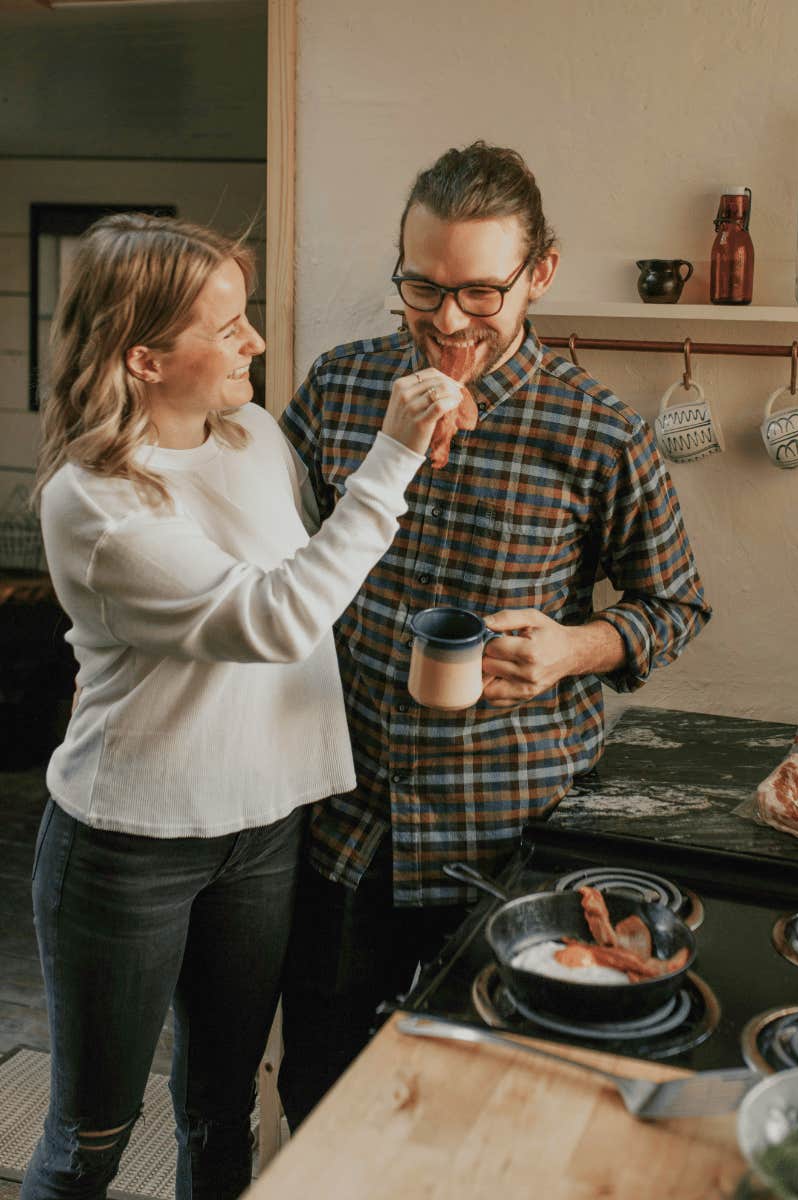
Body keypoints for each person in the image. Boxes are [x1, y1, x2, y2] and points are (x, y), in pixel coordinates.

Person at [23, 212, 463, 1200]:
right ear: (143, 357)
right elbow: (275, 618)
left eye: (246, 317)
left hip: (264, 825)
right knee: (93, 1135)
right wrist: (389, 458)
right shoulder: (94, 504)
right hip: (128, 845)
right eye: (226, 328)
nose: (255, 342)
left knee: (223, 1107)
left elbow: (310, 568)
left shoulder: (256, 432)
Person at [277, 141, 712, 1128]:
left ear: (540, 273)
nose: (446, 319)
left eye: (479, 291)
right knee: (322, 1100)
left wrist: (573, 648)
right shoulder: (341, 389)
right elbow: (262, 565)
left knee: (481, 1120)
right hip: (342, 830)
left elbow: (673, 604)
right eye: (421, 287)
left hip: (503, 849)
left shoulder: (599, 432)